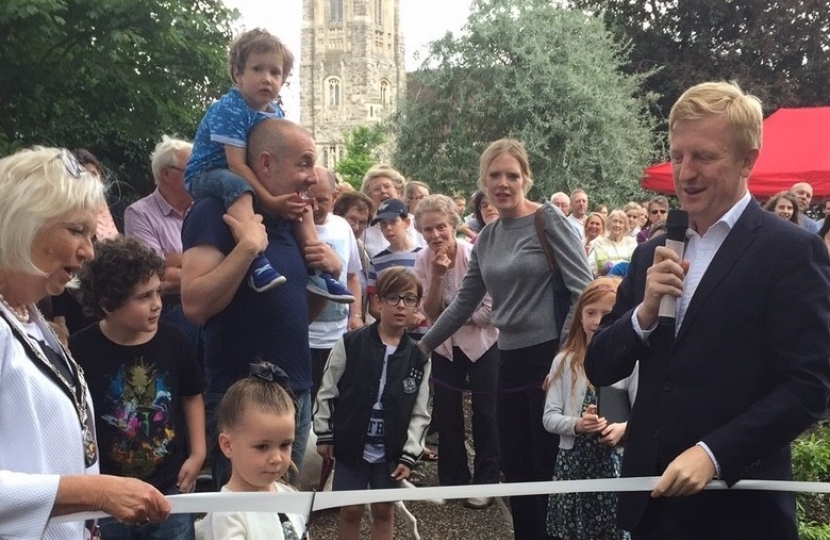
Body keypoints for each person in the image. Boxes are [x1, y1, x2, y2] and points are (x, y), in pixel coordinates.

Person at [585, 81, 830, 540]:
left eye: (704, 156)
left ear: (747, 160)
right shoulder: (652, 253)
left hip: (737, 511)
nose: (685, 172)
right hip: (651, 506)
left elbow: (809, 387)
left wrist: (714, 453)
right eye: (677, 156)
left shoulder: (791, 253)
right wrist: (643, 312)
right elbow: (600, 363)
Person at [419, 138, 593, 540]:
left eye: (512, 175)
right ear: (483, 181)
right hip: (509, 357)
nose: (503, 183)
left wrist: (563, 358)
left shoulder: (549, 221)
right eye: (494, 175)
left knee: (549, 463)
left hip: (550, 358)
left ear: (526, 179)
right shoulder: (490, 236)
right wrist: (423, 346)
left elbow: (582, 290)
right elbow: (465, 302)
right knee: (516, 467)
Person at [0, 147, 169, 540]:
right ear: (23, 222)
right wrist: (94, 491)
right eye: (76, 230)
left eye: (91, 235)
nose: (89, 251)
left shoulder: (28, 317)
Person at [181, 118, 340, 487]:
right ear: (266, 163)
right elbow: (194, 304)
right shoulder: (214, 211)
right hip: (241, 393)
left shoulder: (291, 222)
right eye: (304, 163)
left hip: (296, 388)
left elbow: (299, 315)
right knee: (244, 512)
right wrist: (249, 247)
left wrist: (327, 270)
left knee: (281, 508)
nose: (313, 177)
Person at [184, 28, 352, 301]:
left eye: (275, 72)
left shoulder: (276, 113)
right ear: (238, 75)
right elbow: (237, 165)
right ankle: (256, 260)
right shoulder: (231, 108)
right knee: (237, 186)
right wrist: (272, 201)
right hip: (208, 173)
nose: (267, 79)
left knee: (302, 200)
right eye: (257, 69)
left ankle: (316, 267)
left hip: (238, 173)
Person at [70, 236, 206, 540]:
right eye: (143, 297)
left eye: (158, 292)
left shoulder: (175, 341)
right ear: (108, 303)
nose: (157, 303)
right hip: (107, 497)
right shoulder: (80, 350)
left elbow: (191, 395)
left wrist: (198, 454)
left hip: (169, 488)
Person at [314, 267, 431, 540]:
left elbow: (420, 413)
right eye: (393, 297)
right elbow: (327, 390)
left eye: (409, 299)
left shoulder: (419, 358)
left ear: (416, 306)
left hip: (390, 450)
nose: (401, 305)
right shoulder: (350, 343)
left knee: (383, 510)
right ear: (378, 302)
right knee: (351, 510)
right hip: (351, 443)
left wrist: (410, 453)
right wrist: (325, 433)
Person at [413, 195, 500, 509]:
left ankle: (487, 481)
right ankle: (453, 481)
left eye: (440, 228)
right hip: (445, 347)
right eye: (427, 230)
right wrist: (436, 275)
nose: (435, 235)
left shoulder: (475, 253)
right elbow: (432, 311)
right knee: (447, 413)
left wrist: (455, 314)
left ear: (453, 226)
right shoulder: (423, 260)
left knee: (486, 412)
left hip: (483, 345)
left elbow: (490, 312)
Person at [543, 277, 636, 540]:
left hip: (613, 464)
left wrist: (622, 430)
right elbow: (549, 418)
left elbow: (643, 413)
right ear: (580, 317)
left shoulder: (631, 362)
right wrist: (576, 424)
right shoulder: (564, 361)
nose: (596, 321)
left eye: (606, 314)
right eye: (590, 313)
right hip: (573, 466)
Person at [195, 364, 307, 540]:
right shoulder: (227, 512)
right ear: (227, 445)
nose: (277, 458)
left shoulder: (289, 495)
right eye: (262, 446)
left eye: (285, 445)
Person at [124, 135, 201, 355]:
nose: (199, 175)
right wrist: (205, 266)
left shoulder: (203, 209)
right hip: (169, 310)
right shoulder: (140, 214)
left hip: (209, 307)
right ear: (166, 173)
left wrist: (175, 260)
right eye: (191, 169)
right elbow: (153, 276)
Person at [308, 166, 364, 400]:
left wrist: (356, 315)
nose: (315, 206)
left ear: (334, 198)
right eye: (309, 199)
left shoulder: (342, 227)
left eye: (322, 199)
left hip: (337, 337)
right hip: (305, 338)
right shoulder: (289, 226)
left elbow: (352, 276)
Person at [366, 198, 426, 339]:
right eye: (383, 224)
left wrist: (422, 314)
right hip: (392, 336)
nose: (388, 228)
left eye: (393, 222)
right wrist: (399, 320)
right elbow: (374, 306)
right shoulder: (376, 261)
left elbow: (434, 293)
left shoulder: (424, 255)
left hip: (424, 333)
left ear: (406, 222)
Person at [359, 165, 426, 257]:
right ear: (370, 197)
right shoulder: (364, 229)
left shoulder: (418, 223)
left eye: (387, 186)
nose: (383, 191)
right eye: (376, 189)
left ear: (398, 191)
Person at [333, 191, 375, 325]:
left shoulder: (361, 250)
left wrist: (356, 315)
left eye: (363, 222)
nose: (356, 227)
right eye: (352, 219)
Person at [589, 210, 637, 276]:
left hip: (627, 278)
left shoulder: (631, 242)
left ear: (625, 225)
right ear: (609, 223)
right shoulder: (600, 242)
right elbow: (602, 265)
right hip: (606, 279)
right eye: (614, 221)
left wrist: (612, 263)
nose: (617, 225)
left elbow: (633, 262)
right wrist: (623, 263)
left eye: (621, 222)